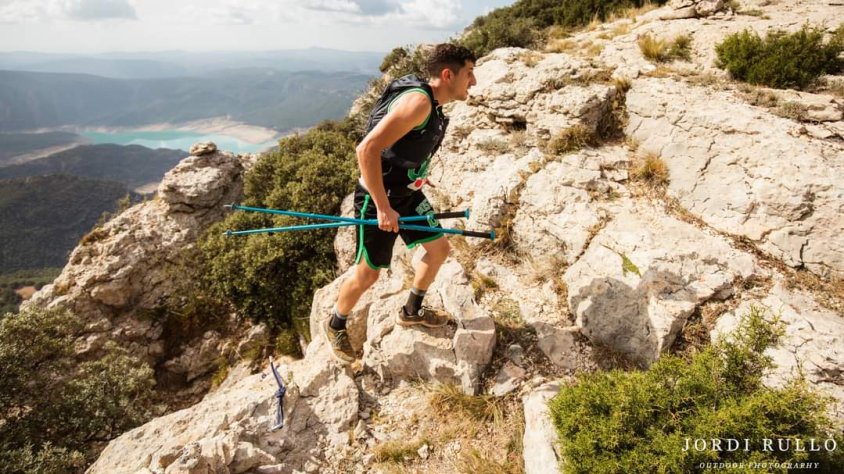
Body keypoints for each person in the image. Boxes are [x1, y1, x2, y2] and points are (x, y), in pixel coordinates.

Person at [323, 43, 477, 363]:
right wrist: (382, 207)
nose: (473, 81)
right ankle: (335, 323)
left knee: (439, 250)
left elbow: (403, 148)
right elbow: (366, 150)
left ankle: (411, 311)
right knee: (368, 274)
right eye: (469, 73)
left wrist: (417, 175)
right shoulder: (419, 103)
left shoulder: (432, 104)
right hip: (378, 197)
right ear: (448, 75)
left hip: (407, 193)